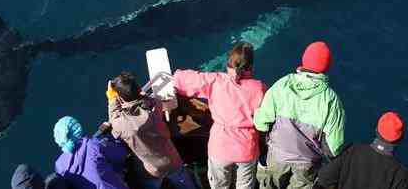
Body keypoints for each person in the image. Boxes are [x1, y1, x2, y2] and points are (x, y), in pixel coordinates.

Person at [172, 42, 266, 189]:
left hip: (220, 148)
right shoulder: (259, 87)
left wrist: (176, 76)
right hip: (247, 149)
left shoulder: (215, 80)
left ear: (228, 63)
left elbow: (182, 79)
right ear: (251, 67)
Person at [253, 41, 345, 189]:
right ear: (327, 66)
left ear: (304, 59)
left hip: (277, 156)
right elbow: (335, 148)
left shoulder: (282, 85)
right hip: (307, 164)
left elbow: (261, 123)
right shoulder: (332, 101)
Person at [107, 72, 196, 189]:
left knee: (150, 184)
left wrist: (112, 99)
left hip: (152, 169)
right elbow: (146, 99)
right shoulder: (155, 105)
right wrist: (138, 95)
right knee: (185, 184)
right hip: (172, 159)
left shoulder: (122, 124)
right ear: (139, 89)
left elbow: (114, 118)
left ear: (119, 97)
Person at [314, 112, 408, 189]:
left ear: (376, 130)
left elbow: (324, 179)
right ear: (400, 139)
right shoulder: (400, 175)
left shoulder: (351, 151)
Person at [54, 116, 129, 189]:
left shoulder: (59, 165)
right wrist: (110, 138)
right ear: (77, 129)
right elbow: (121, 153)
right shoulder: (94, 145)